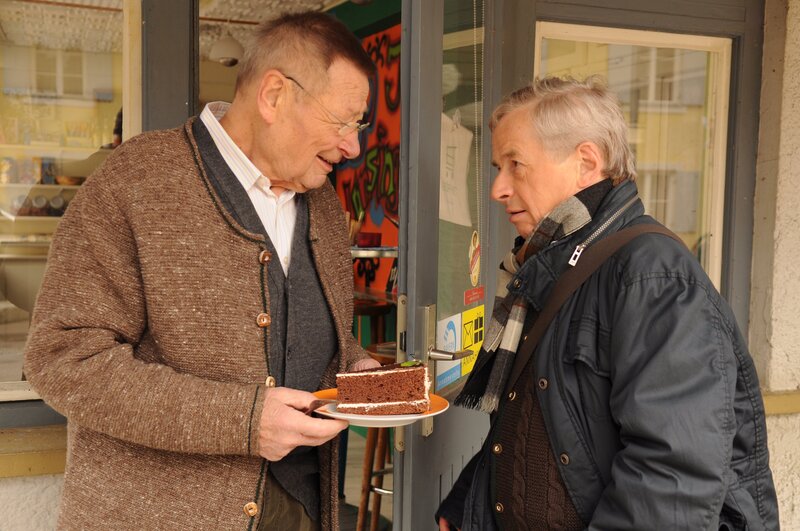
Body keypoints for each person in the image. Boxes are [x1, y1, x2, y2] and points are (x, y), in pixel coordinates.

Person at [24, 11, 380, 530]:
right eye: (344, 121)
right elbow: (63, 359)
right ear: (274, 95)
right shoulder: (135, 181)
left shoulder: (321, 202)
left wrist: (356, 368)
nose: (352, 147)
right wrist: (242, 420)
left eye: (358, 126)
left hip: (302, 511)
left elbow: (307, 331)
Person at [436, 76, 779, 530]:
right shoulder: (550, 264)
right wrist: (466, 506)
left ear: (586, 162)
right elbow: (536, 419)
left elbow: (671, 480)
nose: (497, 188)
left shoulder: (653, 277)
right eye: (499, 167)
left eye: (515, 164)